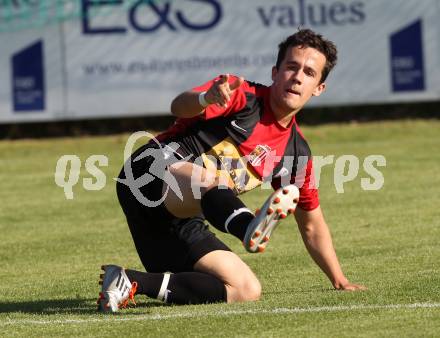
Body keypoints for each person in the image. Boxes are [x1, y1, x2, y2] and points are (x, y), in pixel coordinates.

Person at [97, 28, 366, 312]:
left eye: (309, 73)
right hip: (147, 174)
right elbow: (178, 105)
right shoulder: (240, 95)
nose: (298, 77)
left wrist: (338, 278)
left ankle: (128, 281)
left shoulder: (295, 154)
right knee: (209, 178)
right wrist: (206, 99)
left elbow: (312, 224)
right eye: (291, 67)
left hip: (178, 216)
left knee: (245, 288)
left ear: (319, 88)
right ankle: (247, 225)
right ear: (275, 72)